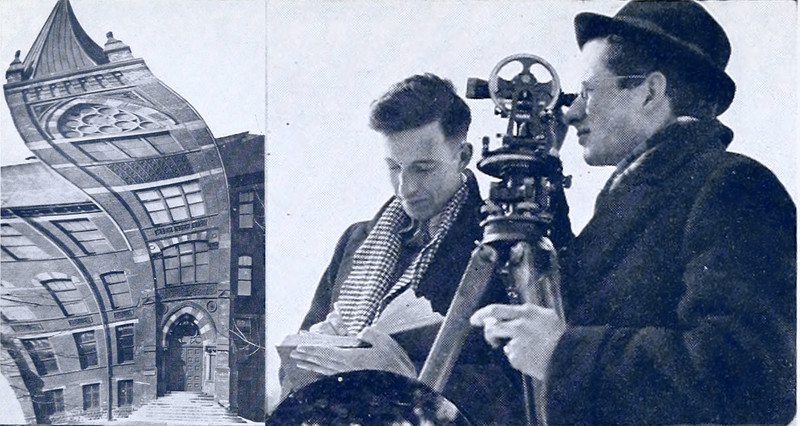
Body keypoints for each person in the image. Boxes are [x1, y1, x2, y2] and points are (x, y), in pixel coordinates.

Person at [470, 0, 796, 424]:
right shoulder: (638, 193)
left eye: (587, 91)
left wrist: (563, 353)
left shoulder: (734, 187)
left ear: (649, 92)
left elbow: (750, 379)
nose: (570, 112)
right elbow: (589, 303)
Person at [284, 73, 527, 424]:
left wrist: (410, 380)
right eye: (393, 167)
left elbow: (524, 391)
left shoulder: (502, 248)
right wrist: (312, 354)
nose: (405, 188)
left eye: (423, 169)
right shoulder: (355, 241)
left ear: (462, 156)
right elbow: (290, 368)